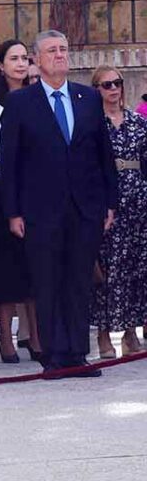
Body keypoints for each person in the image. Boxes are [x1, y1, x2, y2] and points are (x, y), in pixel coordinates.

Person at [0, 30, 118, 376]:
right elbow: (9, 161)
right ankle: (53, 355)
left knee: (79, 281)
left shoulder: (87, 98)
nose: (60, 55)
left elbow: (103, 154)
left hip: (85, 207)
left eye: (64, 49)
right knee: (48, 281)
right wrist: (13, 212)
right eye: (51, 50)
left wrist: (109, 202)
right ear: (36, 60)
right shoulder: (21, 103)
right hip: (40, 210)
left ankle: (77, 353)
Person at [0, 39, 41, 363]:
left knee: (33, 262)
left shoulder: (38, 95)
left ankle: (36, 336)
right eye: (13, 58)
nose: (20, 63)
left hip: (35, 189)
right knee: (3, 265)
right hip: (1, 186)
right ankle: (5, 338)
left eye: (24, 58)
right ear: (1, 65)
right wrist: (17, 169)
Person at [90, 66, 147, 358]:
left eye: (117, 83)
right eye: (106, 84)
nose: (113, 89)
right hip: (107, 205)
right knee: (107, 270)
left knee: (136, 268)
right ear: (96, 89)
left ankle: (130, 333)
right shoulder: (92, 124)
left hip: (138, 203)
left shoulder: (138, 122)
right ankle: (103, 334)